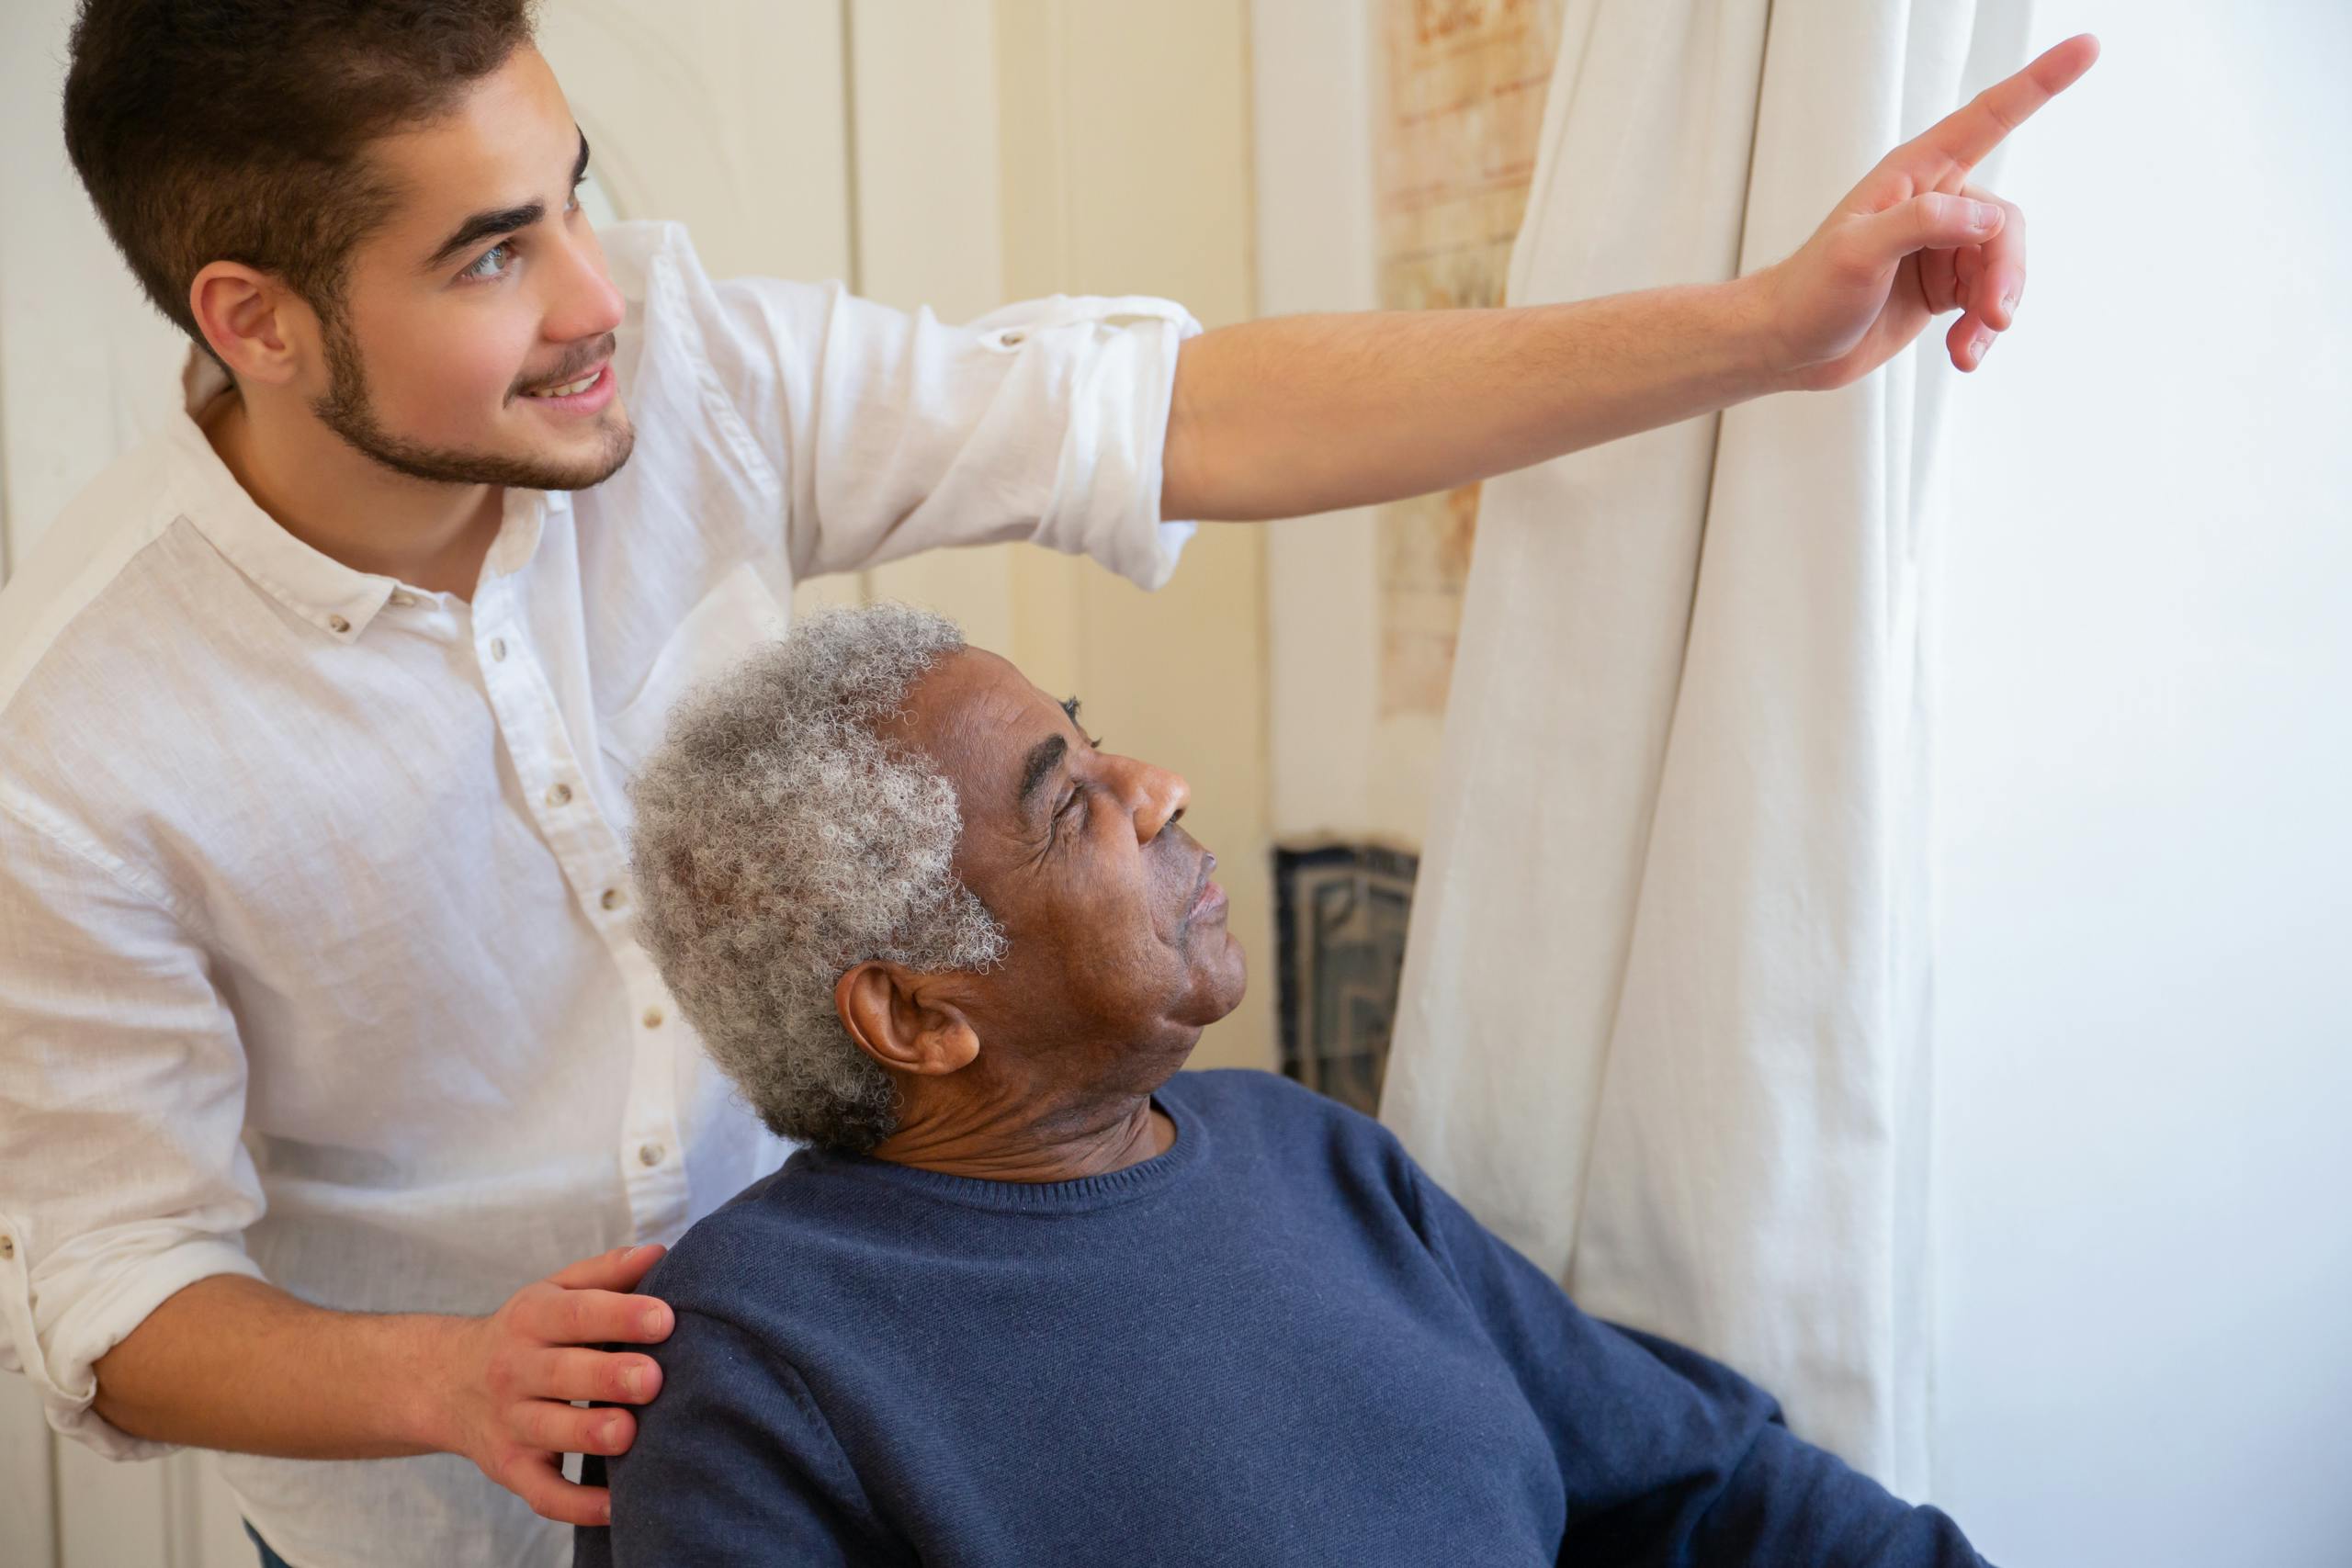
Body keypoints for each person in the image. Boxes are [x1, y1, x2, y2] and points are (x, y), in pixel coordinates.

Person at [0, 0, 2094, 1562]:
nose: (591, 297)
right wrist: (443, 1376)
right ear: (253, 318)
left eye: (577, 196)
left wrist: (1756, 328)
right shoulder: (78, 733)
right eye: (486, 256)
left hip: (921, 1377)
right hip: (438, 1509)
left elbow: (1179, 411)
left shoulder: (697, 374)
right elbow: (109, 1278)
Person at [571, 602, 1990, 1566]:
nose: (1161, 789)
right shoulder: (738, 1372)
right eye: (1069, 806)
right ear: (913, 1014)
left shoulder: (1313, 1157)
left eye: (1091, 738)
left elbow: (1714, 1484)